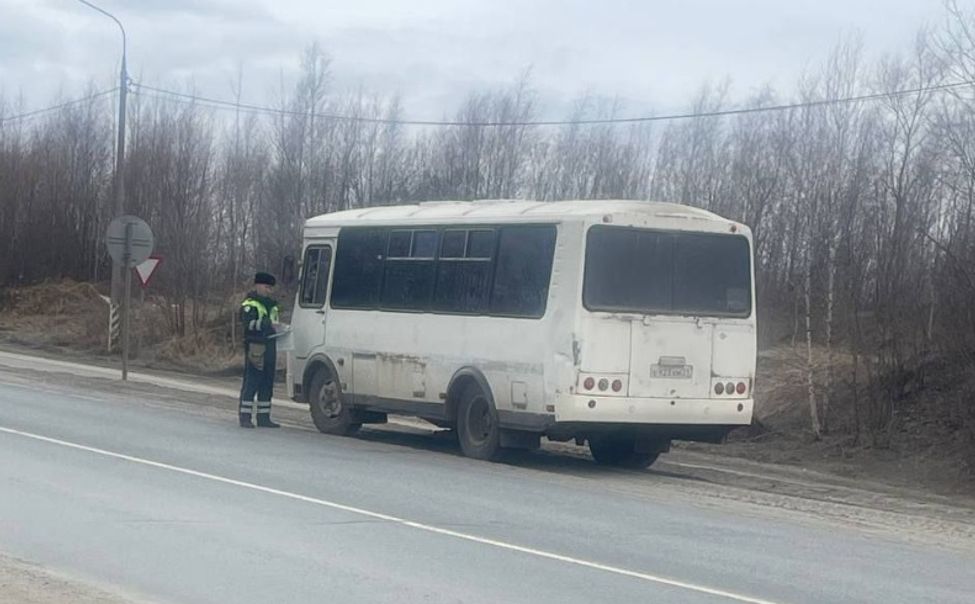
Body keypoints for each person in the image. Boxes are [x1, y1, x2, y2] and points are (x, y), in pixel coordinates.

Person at [239, 272, 282, 428]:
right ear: (257, 285)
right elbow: (249, 325)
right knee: (252, 381)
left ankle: (264, 418)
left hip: (270, 345)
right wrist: (266, 324)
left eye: (271, 288)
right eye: (266, 287)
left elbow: (275, 323)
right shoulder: (250, 304)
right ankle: (245, 417)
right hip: (256, 346)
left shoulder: (273, 305)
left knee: (267, 382)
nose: (269, 291)